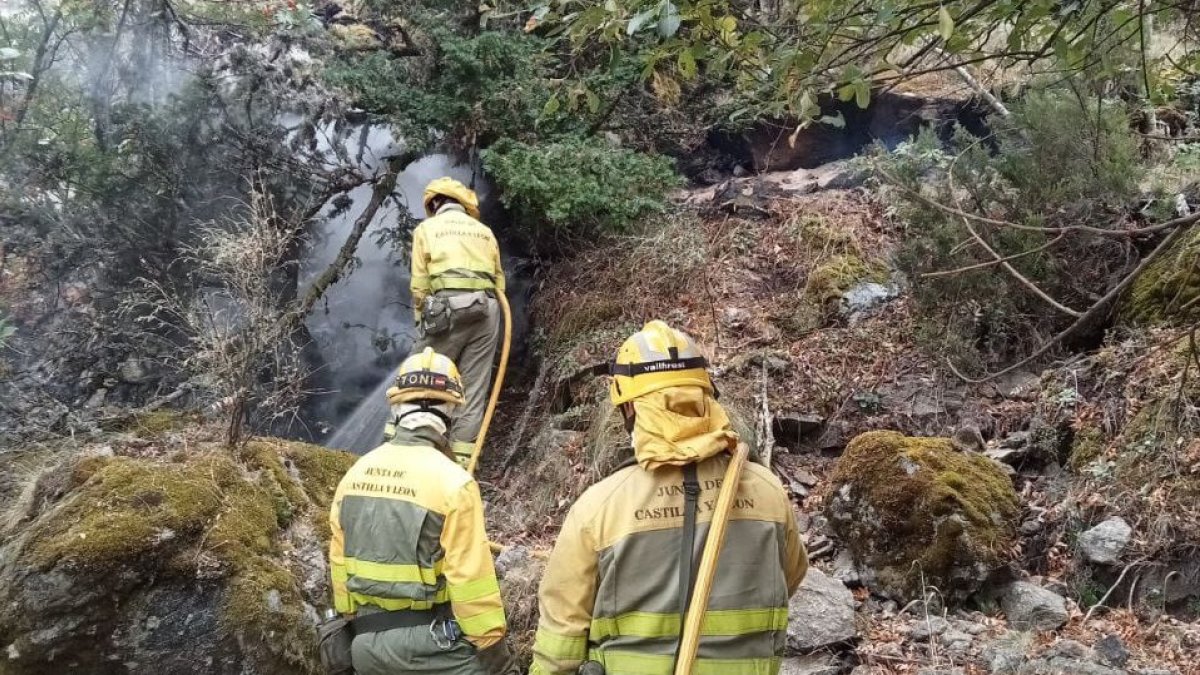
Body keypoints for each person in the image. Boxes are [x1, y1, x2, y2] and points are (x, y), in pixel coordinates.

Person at [529, 321, 809, 675]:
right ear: (706, 397)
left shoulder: (600, 507)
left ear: (629, 408)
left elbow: (560, 640)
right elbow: (792, 576)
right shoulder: (767, 492)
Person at [329, 347, 514, 675]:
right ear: (451, 411)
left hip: (365, 646)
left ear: (396, 407)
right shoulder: (454, 484)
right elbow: (471, 582)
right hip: (432, 649)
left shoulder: (354, 477)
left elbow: (340, 571)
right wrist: (495, 655)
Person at [406, 176, 507, 468]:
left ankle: (406, 452)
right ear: (463, 205)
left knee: (417, 378)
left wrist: (422, 323)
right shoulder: (485, 232)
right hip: (488, 310)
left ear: (435, 202)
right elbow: (499, 280)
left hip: (445, 311)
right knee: (473, 389)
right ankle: (460, 466)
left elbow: (419, 285)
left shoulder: (427, 228)